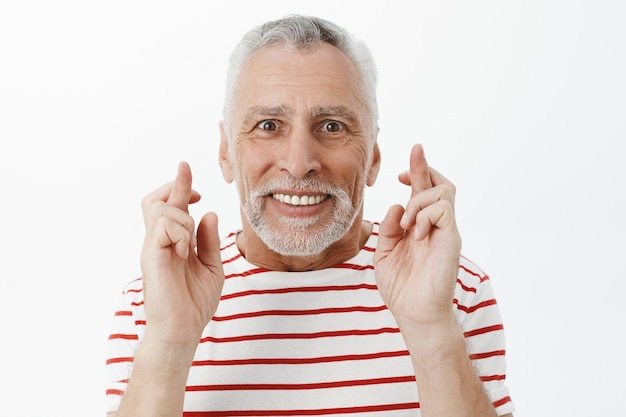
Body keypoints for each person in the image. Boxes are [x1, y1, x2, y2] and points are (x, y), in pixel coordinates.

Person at [105, 15, 515, 417]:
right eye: (269, 125)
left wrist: (432, 332)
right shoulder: (153, 302)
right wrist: (169, 344)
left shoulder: (454, 291)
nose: (299, 163)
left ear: (372, 157)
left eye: (332, 126)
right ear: (226, 152)